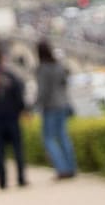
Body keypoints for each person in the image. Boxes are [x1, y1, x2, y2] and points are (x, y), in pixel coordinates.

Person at [0, 49, 29, 189]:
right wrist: (22, 109)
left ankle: (2, 181)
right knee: (18, 148)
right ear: (2, 59)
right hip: (12, 116)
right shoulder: (10, 75)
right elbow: (19, 94)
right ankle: (21, 178)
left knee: (0, 150)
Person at [34, 40, 78, 180]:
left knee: (49, 138)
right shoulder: (58, 66)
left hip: (50, 107)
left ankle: (62, 169)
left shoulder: (43, 68)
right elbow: (64, 83)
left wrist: (36, 105)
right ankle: (71, 167)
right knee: (63, 136)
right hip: (63, 104)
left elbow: (43, 91)